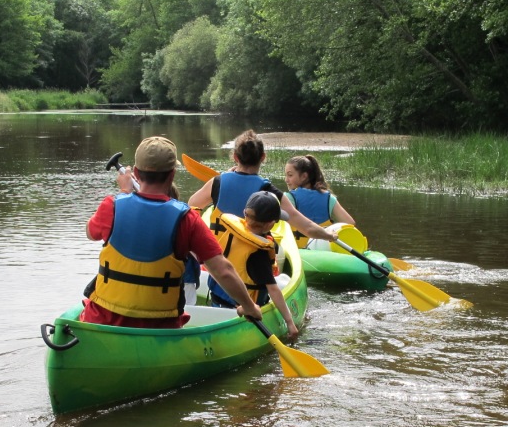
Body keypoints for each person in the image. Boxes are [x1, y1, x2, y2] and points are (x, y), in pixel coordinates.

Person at [80, 136, 262, 327]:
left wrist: (124, 193)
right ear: (172, 174)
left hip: (102, 322)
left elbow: (90, 233)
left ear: (135, 172)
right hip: (159, 326)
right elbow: (223, 270)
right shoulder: (187, 219)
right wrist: (249, 306)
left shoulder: (111, 205)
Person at [187, 129, 339, 246]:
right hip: (249, 261)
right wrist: (328, 235)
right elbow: (307, 227)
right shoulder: (269, 191)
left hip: (217, 258)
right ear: (263, 157)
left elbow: (191, 206)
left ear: (235, 157)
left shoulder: (217, 182)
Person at [207, 191, 300, 341]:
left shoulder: (232, 231)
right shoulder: (259, 253)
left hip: (218, 301)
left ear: (246, 214)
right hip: (247, 314)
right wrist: (290, 323)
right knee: (282, 280)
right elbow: (273, 289)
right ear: (270, 224)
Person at [284, 154, 357, 248]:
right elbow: (350, 223)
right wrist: (333, 229)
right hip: (323, 251)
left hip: (299, 252)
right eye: (286, 175)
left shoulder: (288, 198)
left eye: (290, 175)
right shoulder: (329, 198)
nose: (286, 179)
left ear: (304, 176)